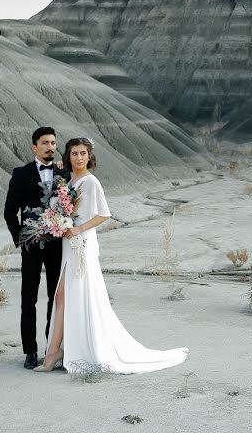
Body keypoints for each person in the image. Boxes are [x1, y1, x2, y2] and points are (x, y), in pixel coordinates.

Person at [34, 137, 188, 374]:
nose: (79, 157)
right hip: (69, 243)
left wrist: (77, 228)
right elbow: (61, 206)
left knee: (72, 294)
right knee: (64, 296)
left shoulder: (91, 182)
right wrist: (57, 222)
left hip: (82, 242)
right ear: (68, 156)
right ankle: (57, 351)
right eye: (74, 153)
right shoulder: (68, 180)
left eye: (83, 153)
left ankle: (60, 352)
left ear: (89, 156)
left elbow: (104, 215)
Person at [3, 126, 67, 369]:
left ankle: (53, 346)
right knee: (28, 299)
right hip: (30, 246)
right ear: (34, 147)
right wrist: (21, 239)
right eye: (45, 143)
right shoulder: (21, 174)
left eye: (53, 142)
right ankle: (30, 350)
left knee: (56, 297)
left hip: (57, 245)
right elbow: (9, 212)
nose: (50, 147)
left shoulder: (64, 173)